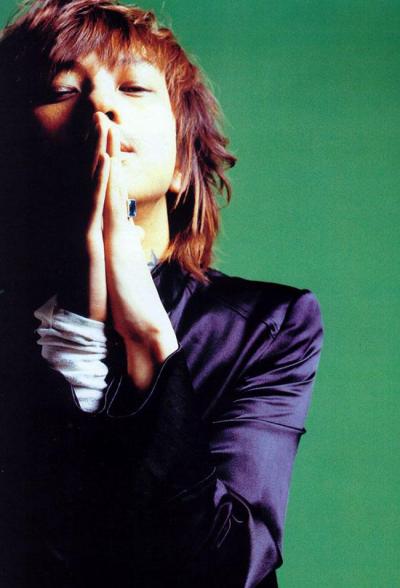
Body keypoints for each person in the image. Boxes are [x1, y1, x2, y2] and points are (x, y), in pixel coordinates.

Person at [0, 1, 323, 586]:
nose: (102, 106)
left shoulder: (268, 326)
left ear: (182, 162)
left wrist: (149, 338)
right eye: (63, 89)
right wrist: (79, 324)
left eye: (133, 88)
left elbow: (232, 566)